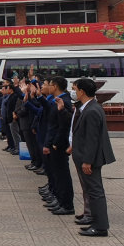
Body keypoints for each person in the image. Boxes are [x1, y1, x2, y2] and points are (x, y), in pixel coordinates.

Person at [71, 77, 116, 237]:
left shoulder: (92, 111)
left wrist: (87, 161)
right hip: (86, 156)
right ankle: (96, 222)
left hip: (90, 158)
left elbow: (92, 138)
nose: (74, 92)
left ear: (82, 92)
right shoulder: (90, 108)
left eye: (76, 90)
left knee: (95, 191)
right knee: (92, 191)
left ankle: (100, 226)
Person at [41, 77, 75, 216]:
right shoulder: (57, 100)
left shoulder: (64, 101)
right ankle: (60, 201)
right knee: (57, 174)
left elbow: (63, 127)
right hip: (54, 141)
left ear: (55, 87)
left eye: (48, 84)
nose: (46, 87)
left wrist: (54, 143)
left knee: (62, 175)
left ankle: (66, 204)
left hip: (59, 144)